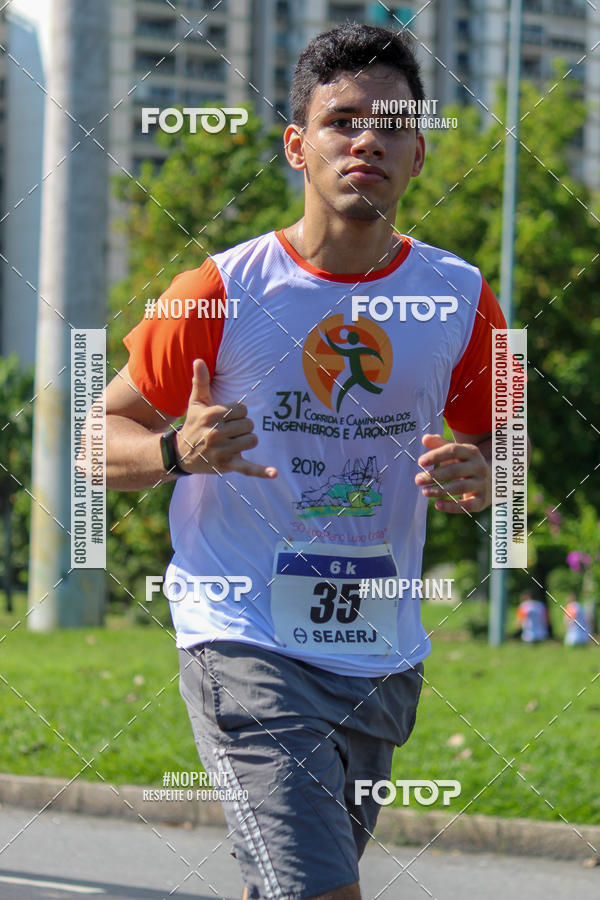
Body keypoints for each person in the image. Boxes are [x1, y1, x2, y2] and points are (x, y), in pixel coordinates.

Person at [105, 23, 522, 900]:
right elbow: (94, 440)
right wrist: (178, 451)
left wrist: (484, 474)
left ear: (419, 152)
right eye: (340, 120)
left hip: (377, 646)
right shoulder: (217, 291)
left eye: (391, 123)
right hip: (242, 634)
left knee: (291, 883)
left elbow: (503, 444)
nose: (366, 137)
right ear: (298, 146)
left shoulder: (462, 295)